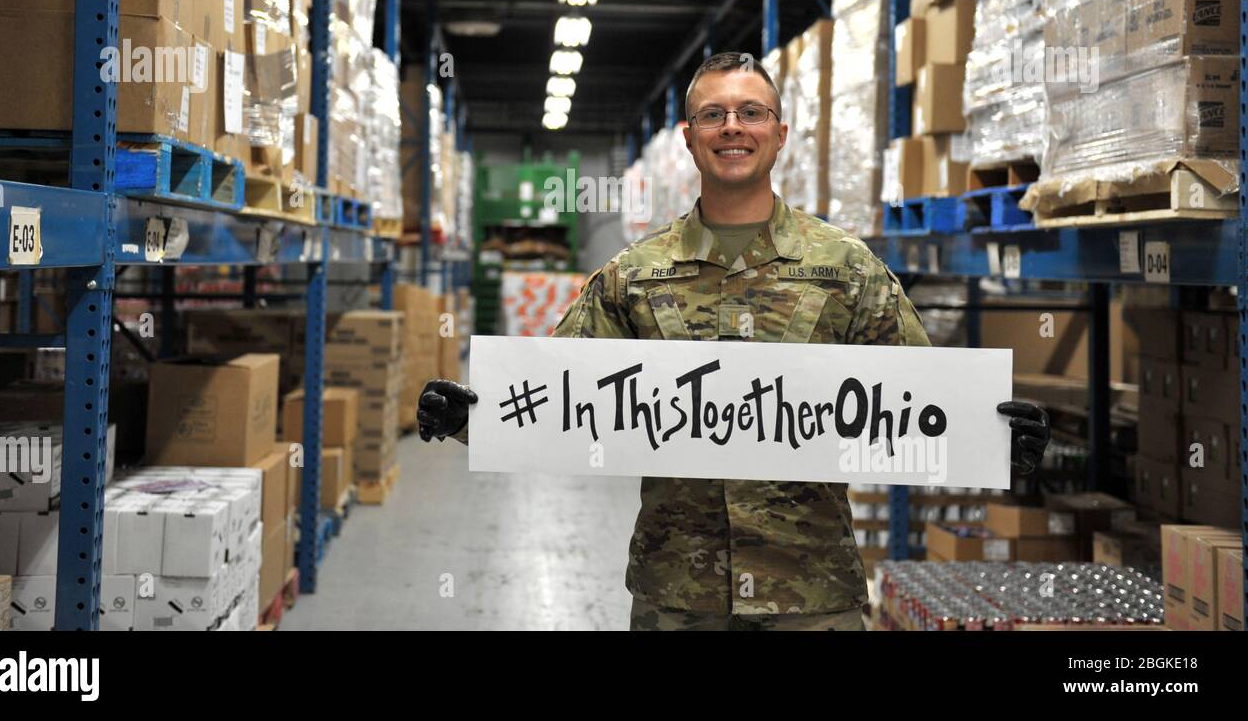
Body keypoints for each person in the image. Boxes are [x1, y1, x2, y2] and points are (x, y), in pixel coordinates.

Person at [417, 51, 1050, 631]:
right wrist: (466, 416)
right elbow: (553, 399)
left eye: (751, 112)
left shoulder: (848, 270)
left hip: (810, 594)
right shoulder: (636, 275)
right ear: (690, 137)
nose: (732, 127)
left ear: (779, 133)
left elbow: (922, 405)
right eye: (712, 115)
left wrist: (995, 439)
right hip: (679, 593)